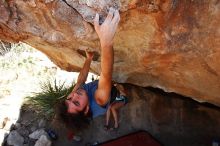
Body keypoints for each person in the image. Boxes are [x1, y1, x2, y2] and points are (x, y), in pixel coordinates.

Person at [57, 7, 124, 136]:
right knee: (111, 83)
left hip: (100, 87)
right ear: (87, 109)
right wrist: (106, 41)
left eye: (69, 98)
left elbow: (81, 80)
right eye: (76, 102)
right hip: (110, 91)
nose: (74, 95)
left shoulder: (76, 95)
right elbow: (106, 74)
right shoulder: (100, 99)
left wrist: (89, 59)